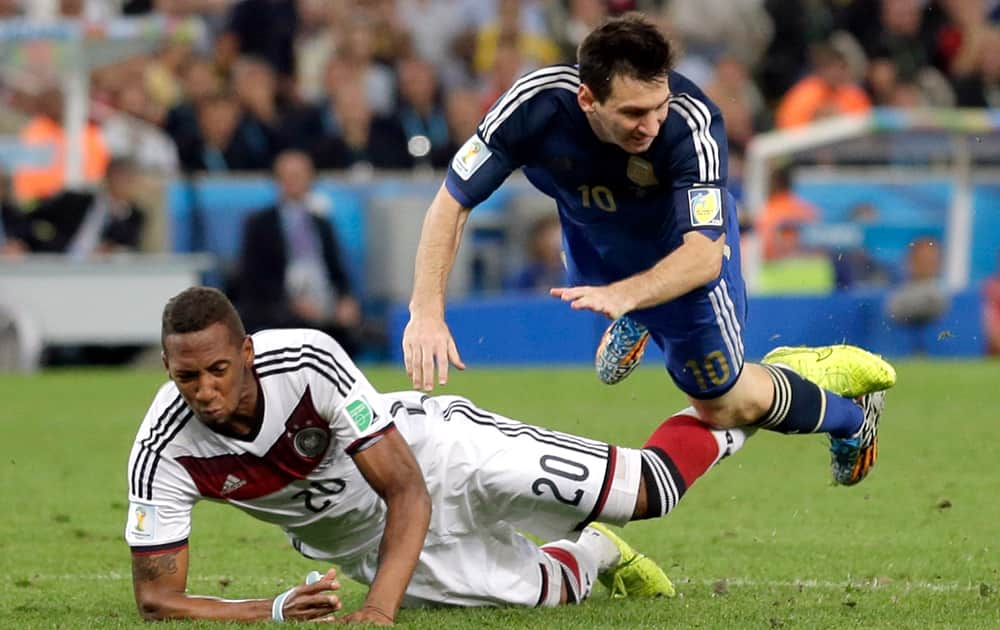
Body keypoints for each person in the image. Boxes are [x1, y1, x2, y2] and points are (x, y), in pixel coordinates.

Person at [402, 13, 895, 487]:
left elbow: (703, 255)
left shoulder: (691, 123)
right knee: (606, 330)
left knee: (722, 405)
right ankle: (638, 315)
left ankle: (851, 417)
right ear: (587, 99)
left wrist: (630, 295)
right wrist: (426, 311)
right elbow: (452, 201)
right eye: (634, 113)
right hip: (596, 243)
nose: (652, 124)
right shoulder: (534, 106)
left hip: (679, 255)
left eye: (658, 105)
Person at [127, 286, 766, 622]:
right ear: (167, 368)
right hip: (364, 544)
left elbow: (407, 489)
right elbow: (158, 600)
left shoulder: (308, 361)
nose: (206, 392)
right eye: (188, 378)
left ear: (246, 353)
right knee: (548, 593)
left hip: (437, 453)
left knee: (647, 491)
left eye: (217, 370)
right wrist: (269, 611)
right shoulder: (164, 449)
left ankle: (758, 397)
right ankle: (599, 551)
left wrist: (378, 610)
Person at [236, 150, 363, 356]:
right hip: (279, 308)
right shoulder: (259, 224)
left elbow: (337, 271)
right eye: (289, 176)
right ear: (278, 180)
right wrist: (291, 304)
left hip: (322, 301)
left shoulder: (322, 223)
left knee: (352, 326)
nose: (295, 182)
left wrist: (344, 299)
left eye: (300, 176)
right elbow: (253, 279)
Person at [21, 156, 146, 257]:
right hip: (55, 263)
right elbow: (31, 218)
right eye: (122, 177)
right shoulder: (74, 201)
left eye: (131, 179)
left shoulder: (134, 216)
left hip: (96, 275)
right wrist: (27, 242)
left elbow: (131, 249)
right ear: (108, 175)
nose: (127, 184)